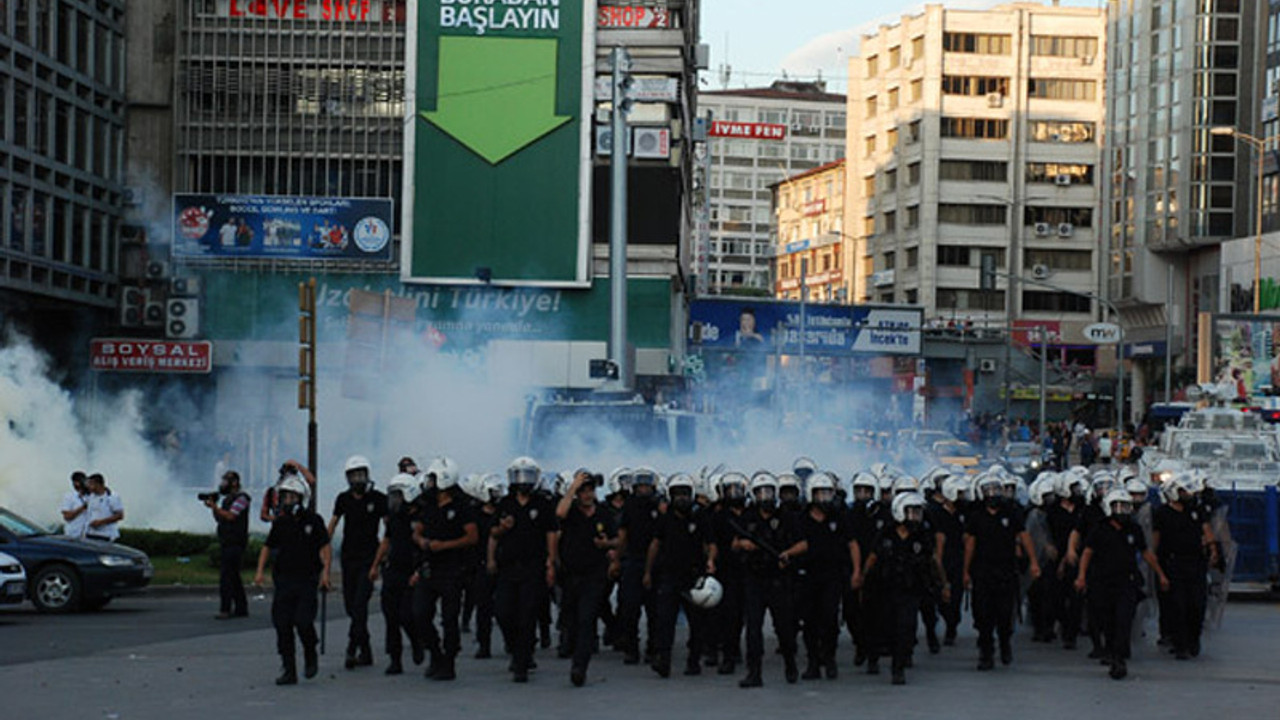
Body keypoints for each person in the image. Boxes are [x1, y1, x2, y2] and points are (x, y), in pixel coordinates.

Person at [1075, 489, 1170, 679]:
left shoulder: (1134, 529)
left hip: (1126, 582)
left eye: (1125, 507)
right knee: (1107, 620)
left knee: (1124, 619)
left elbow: (1145, 553)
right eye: (1117, 506)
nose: (1121, 511)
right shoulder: (1100, 529)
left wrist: (1161, 574)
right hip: (1102, 582)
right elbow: (1087, 552)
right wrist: (1081, 576)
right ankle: (1110, 651)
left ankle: (1119, 657)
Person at [859, 492, 947, 685]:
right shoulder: (886, 533)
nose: (915, 517)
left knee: (906, 627)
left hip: (910, 589)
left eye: (917, 513)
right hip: (884, 589)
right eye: (911, 513)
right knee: (881, 626)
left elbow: (933, 560)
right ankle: (873, 658)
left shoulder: (921, 536)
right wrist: (863, 580)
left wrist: (943, 583)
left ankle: (898, 668)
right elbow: (872, 558)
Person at [254, 474, 332, 686]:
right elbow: (268, 547)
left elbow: (325, 546)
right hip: (284, 580)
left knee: (303, 621)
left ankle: (310, 653)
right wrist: (260, 571)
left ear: (301, 499)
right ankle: (289, 668)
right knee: (282, 625)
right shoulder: (281, 523)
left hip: (307, 580)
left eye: (291, 497)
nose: (287, 501)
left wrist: (325, 574)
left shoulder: (314, 521)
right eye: (284, 497)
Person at [731, 473, 807, 688]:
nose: (766, 497)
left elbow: (803, 543)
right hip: (754, 579)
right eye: (761, 492)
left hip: (778, 579)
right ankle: (754, 672)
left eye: (769, 492)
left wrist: (787, 554)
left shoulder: (787, 516)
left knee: (784, 628)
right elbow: (734, 543)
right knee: (753, 629)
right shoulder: (748, 516)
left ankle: (790, 664)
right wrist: (742, 545)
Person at [488, 456, 558, 683]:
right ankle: (515, 646)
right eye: (519, 476)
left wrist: (550, 562)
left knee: (527, 614)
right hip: (508, 567)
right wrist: (502, 529)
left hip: (533, 567)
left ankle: (521, 662)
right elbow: (493, 534)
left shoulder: (543, 503)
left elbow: (551, 534)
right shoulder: (505, 503)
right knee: (503, 612)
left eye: (528, 476)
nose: (523, 481)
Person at [964, 473, 1040, 671]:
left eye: (995, 490)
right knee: (983, 615)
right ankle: (986, 653)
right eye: (988, 491)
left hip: (1006, 571)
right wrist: (965, 571)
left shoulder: (1011, 512)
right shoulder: (976, 516)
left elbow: (1024, 536)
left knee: (1005, 614)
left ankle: (1005, 643)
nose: (993, 494)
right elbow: (970, 545)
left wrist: (1033, 561)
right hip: (982, 572)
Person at [413, 456, 478, 681]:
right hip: (429, 567)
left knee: (450, 619)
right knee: (419, 614)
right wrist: (421, 541)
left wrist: (445, 546)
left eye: (433, 478)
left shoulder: (462, 505)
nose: (429, 482)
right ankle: (435, 653)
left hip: (452, 569)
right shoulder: (427, 502)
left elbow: (472, 536)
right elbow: (417, 529)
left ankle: (448, 662)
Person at [645, 473, 715, 679]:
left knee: (697, 622)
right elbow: (655, 544)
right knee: (664, 620)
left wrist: (711, 560)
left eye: (685, 494)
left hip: (694, 577)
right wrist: (648, 571)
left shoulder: (700, 516)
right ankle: (663, 660)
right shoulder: (665, 519)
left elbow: (711, 544)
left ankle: (694, 661)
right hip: (669, 576)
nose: (682, 498)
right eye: (678, 494)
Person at [556, 470, 620, 686]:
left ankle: (579, 666)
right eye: (583, 491)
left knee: (587, 619)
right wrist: (572, 488)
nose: (587, 495)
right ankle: (572, 649)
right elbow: (560, 514)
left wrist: (608, 549)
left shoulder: (603, 513)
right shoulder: (572, 512)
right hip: (571, 575)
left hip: (595, 575)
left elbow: (616, 541)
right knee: (570, 621)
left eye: (590, 490)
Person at [327, 455, 387, 670]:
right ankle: (366, 648)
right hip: (348, 557)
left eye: (361, 474)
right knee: (351, 606)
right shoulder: (343, 499)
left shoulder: (379, 499)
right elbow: (333, 523)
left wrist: (380, 560)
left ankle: (351, 648)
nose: (358, 479)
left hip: (369, 557)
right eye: (354, 475)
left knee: (361, 604)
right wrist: (321, 544)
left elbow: (389, 529)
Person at [1152, 473, 1219, 660]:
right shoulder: (1162, 513)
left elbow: (1206, 530)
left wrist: (1212, 549)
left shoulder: (1196, 510)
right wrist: (1155, 565)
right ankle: (1180, 644)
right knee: (1177, 605)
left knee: (1197, 604)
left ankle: (1193, 639)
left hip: (1196, 563)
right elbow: (1155, 541)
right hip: (1173, 563)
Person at [797, 472, 855, 680]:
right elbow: (798, 544)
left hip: (833, 576)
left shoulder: (839, 517)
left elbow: (852, 543)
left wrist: (856, 571)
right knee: (809, 622)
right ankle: (813, 662)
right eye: (819, 494)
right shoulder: (802, 519)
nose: (824, 499)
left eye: (827, 494)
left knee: (830, 619)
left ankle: (829, 659)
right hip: (808, 576)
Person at [370, 473, 425, 675]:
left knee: (407, 614)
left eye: (397, 496)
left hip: (412, 572)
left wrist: (420, 570)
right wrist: (375, 565)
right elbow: (386, 541)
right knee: (391, 617)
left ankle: (416, 641)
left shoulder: (422, 516)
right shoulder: (394, 518)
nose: (394, 501)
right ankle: (395, 659)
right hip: (393, 570)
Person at [206, 470, 251, 619]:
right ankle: (241, 607)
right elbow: (221, 518)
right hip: (227, 541)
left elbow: (231, 516)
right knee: (234, 576)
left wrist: (215, 507)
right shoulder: (227, 500)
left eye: (226, 481)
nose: (222, 484)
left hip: (235, 542)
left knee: (226, 576)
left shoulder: (242, 498)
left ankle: (225, 609)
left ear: (234, 483)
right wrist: (214, 507)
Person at [84, 473, 124, 543]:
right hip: (91, 533)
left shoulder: (112, 497)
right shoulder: (91, 497)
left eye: (91, 484)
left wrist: (101, 522)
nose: (88, 486)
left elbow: (119, 515)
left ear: (98, 484)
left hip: (105, 535)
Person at [59, 471, 90, 540]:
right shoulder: (69, 497)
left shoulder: (90, 496)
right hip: (73, 534)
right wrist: (83, 507)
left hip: (88, 535)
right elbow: (67, 516)